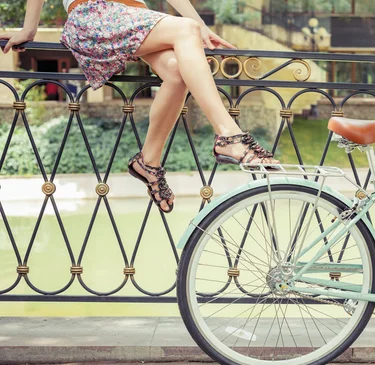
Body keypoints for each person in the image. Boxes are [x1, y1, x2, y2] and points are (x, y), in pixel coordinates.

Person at [0, 0, 279, 213]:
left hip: (135, 19)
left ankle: (149, 161)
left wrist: (203, 29)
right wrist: (29, 29)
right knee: (187, 29)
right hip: (94, 14)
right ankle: (228, 135)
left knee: (176, 71)